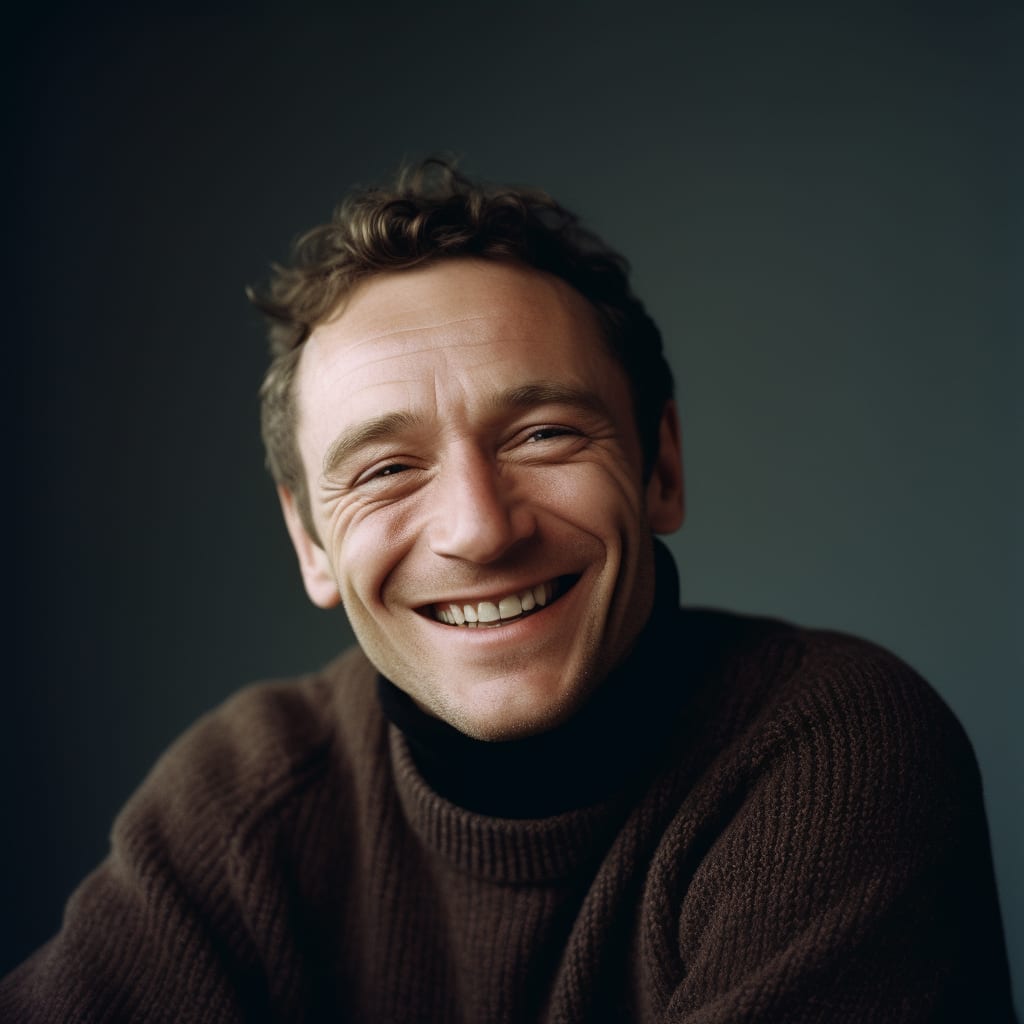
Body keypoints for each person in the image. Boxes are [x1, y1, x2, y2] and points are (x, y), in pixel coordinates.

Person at [1, 160, 1015, 1022]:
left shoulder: (829, 751)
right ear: (310, 541)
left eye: (543, 435)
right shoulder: (241, 806)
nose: (480, 529)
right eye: (385, 469)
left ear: (660, 465)